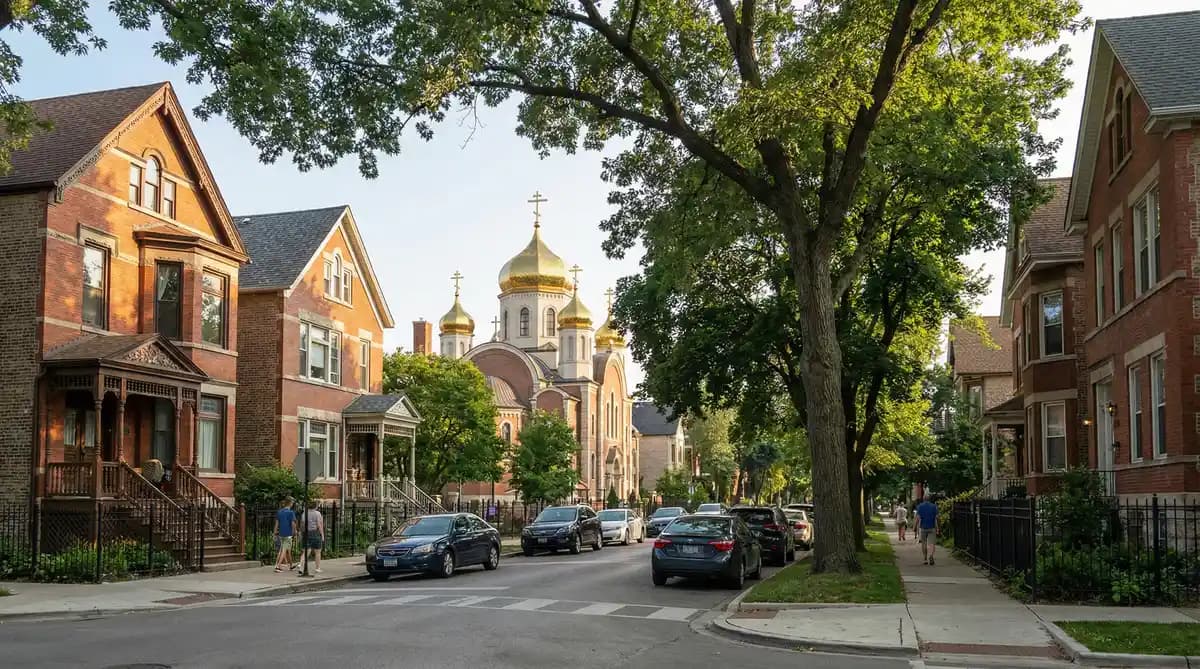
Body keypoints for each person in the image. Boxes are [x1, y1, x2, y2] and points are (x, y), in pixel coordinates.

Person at [273, 496, 298, 573]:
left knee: (287, 550)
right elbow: (293, 524)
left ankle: (291, 565)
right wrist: (295, 532)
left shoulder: (279, 512)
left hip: (281, 533)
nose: (292, 504)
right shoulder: (291, 512)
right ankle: (278, 566)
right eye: (292, 502)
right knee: (284, 550)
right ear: (290, 503)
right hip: (288, 534)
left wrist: (274, 533)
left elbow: (276, 524)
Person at [300, 505, 325, 574]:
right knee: (318, 551)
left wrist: (302, 533)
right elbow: (319, 524)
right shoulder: (317, 513)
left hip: (306, 532)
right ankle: (317, 568)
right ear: (315, 506)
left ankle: (301, 566)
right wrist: (322, 535)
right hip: (315, 532)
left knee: (306, 551)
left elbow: (302, 524)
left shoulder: (304, 513)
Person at [915, 494, 938, 565]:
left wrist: (915, 527)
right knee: (932, 543)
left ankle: (925, 559)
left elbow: (918, 518)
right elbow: (936, 518)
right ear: (929, 499)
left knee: (924, 543)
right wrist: (937, 528)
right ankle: (931, 556)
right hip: (932, 527)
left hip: (923, 528)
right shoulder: (934, 506)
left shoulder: (920, 506)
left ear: (923, 499)